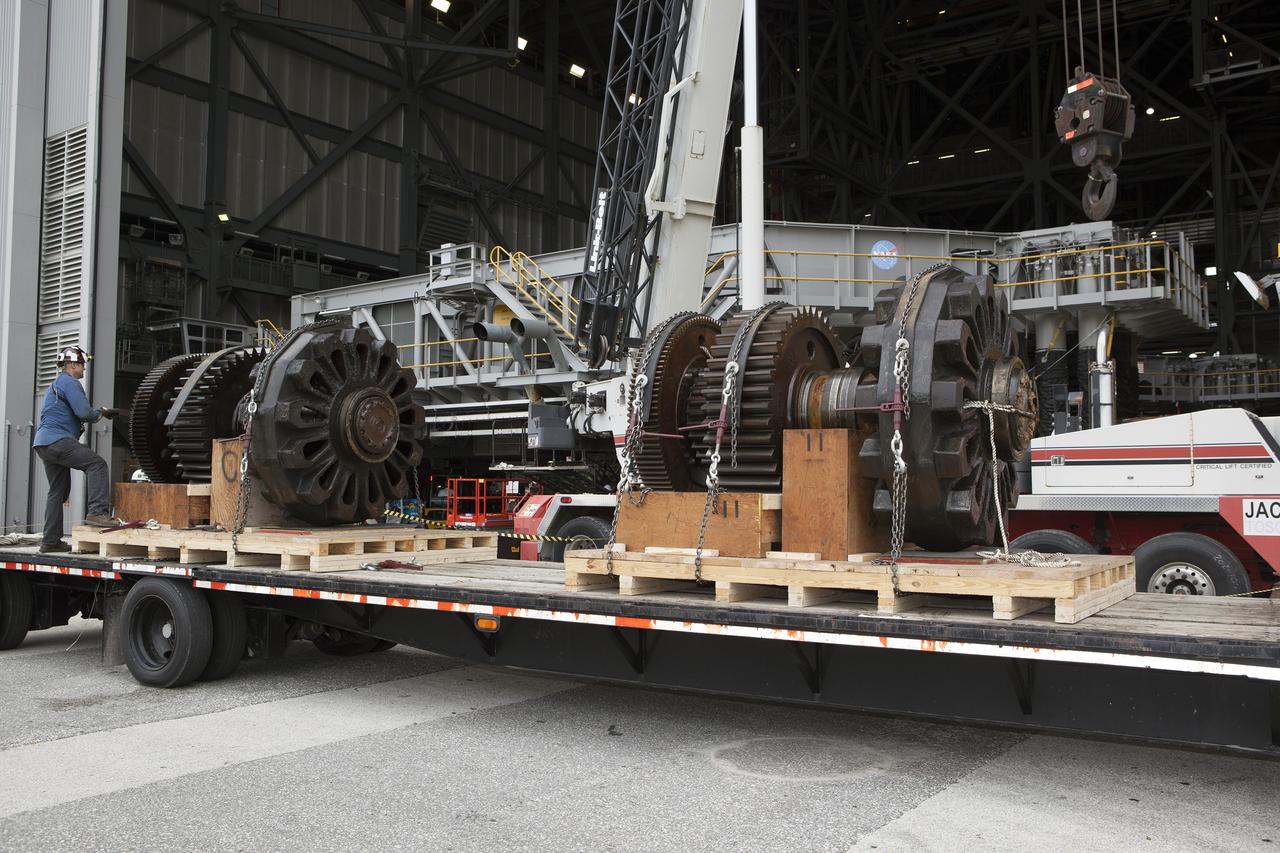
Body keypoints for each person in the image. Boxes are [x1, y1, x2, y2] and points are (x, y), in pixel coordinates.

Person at [32, 346, 121, 552]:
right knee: (97, 464)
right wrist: (102, 412)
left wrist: (99, 413)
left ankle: (51, 541)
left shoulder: (55, 384)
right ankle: (97, 513)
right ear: (72, 365)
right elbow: (84, 413)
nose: (83, 369)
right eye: (82, 365)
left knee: (57, 491)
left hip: (44, 443)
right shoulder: (69, 382)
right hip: (59, 440)